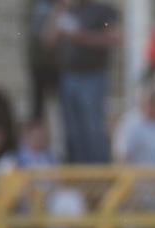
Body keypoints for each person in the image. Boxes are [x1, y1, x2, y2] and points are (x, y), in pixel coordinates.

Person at [46, 0, 119, 163]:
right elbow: (49, 40)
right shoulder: (67, 11)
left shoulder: (103, 10)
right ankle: (78, 171)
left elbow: (114, 38)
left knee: (93, 129)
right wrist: (58, 11)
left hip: (92, 77)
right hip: (68, 77)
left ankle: (99, 173)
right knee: (72, 131)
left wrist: (82, 37)